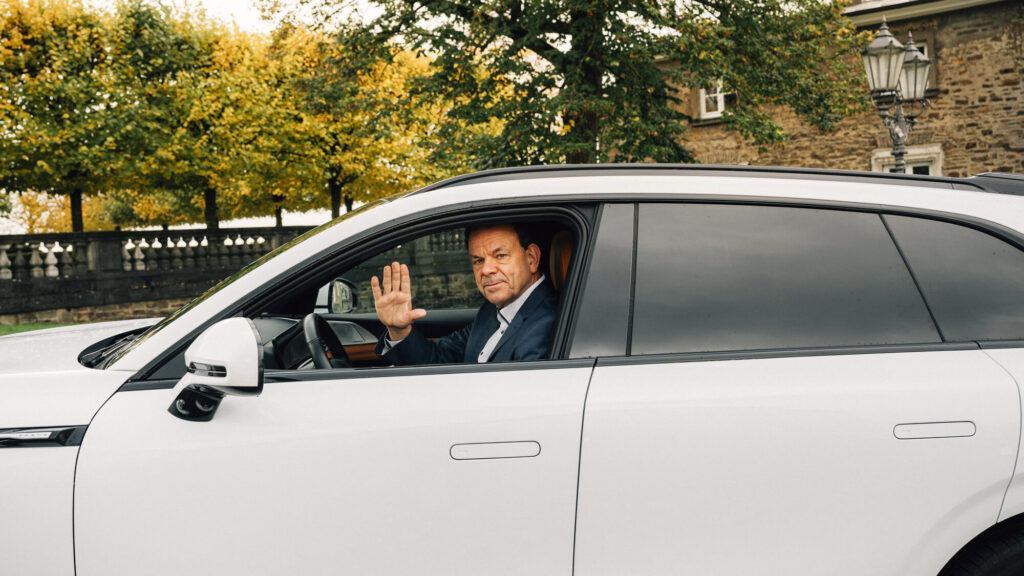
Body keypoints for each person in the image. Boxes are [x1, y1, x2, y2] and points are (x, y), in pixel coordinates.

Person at [371, 223, 558, 364]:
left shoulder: (550, 324)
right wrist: (399, 330)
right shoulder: (492, 311)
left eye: (500, 256)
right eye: (478, 260)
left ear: (531, 258)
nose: (486, 270)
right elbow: (439, 358)